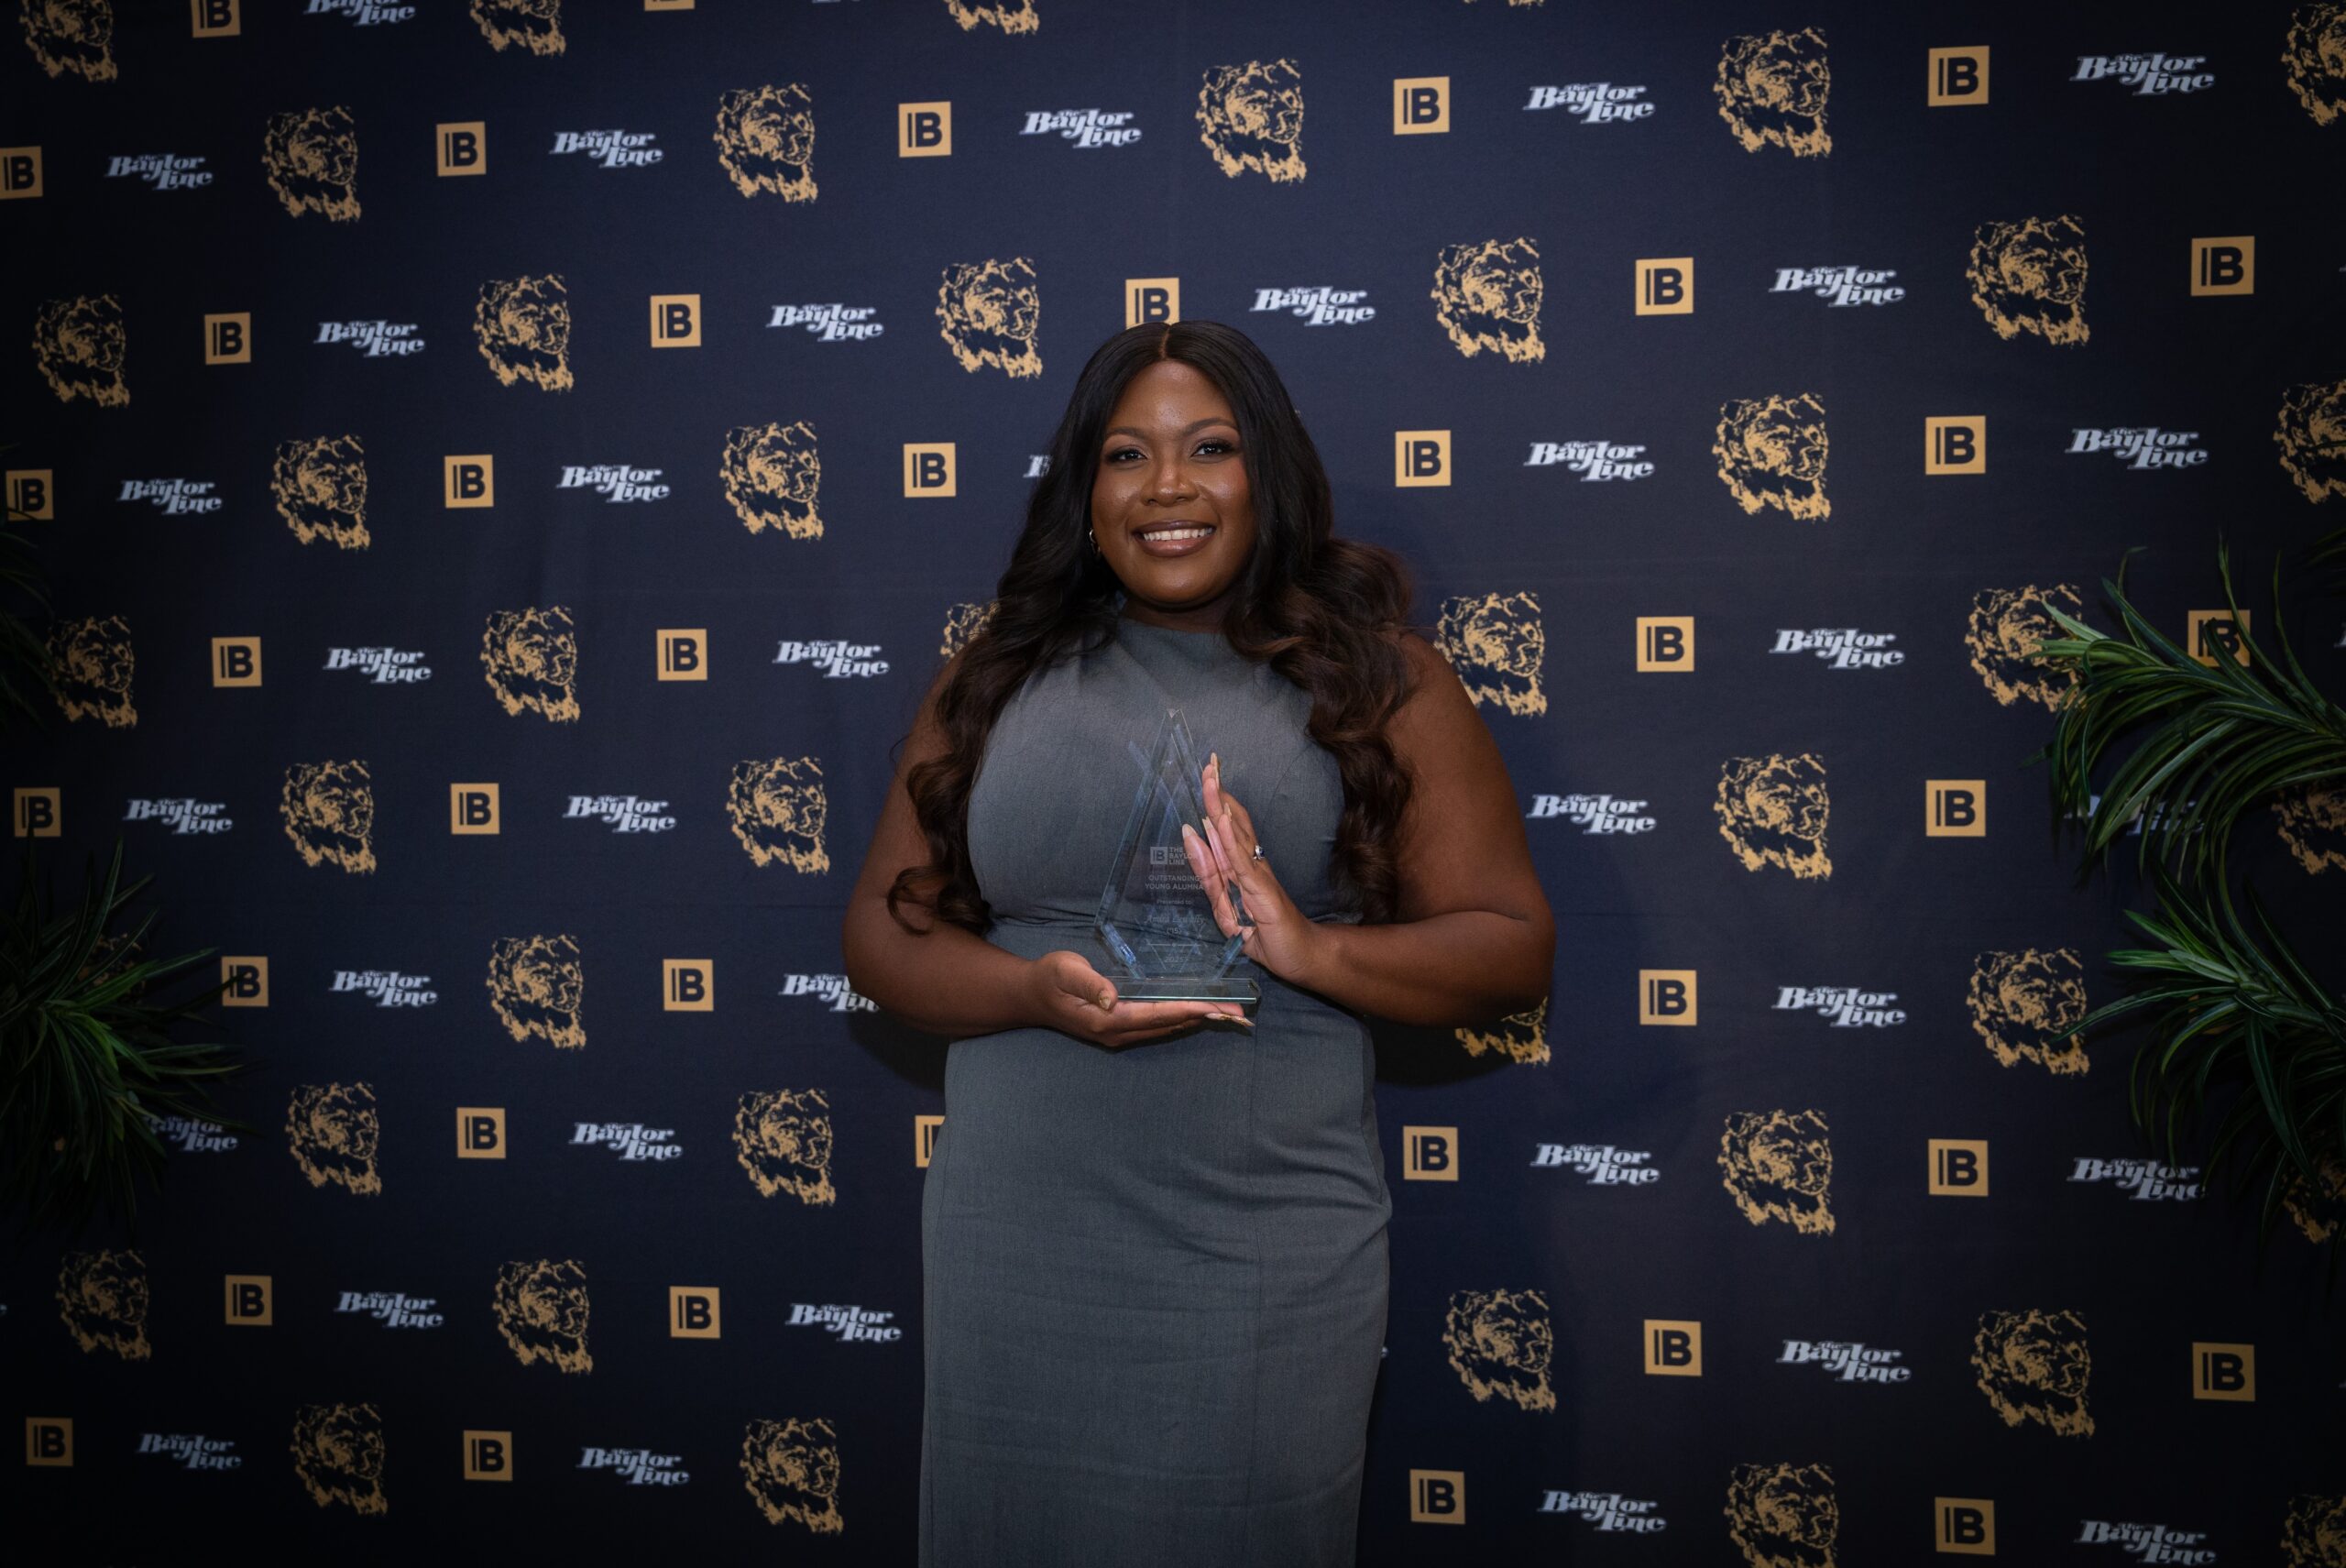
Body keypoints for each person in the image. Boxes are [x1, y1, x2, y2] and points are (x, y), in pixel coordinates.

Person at [841, 319, 1554, 1565]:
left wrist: (1312, 951)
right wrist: (1030, 993)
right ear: (1085, 492)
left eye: (1209, 448)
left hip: (1262, 1241)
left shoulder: (1378, 678)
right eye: (1127, 455)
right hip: (1020, 1235)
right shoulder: (994, 676)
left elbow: (1511, 945)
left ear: (1268, 473)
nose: (1167, 487)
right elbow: (879, 935)